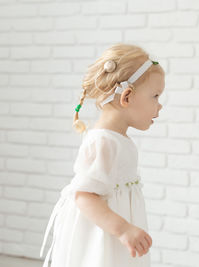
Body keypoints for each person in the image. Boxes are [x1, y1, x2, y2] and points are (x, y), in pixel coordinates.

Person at [39, 43, 165, 267]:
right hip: (103, 231)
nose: (160, 105)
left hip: (114, 229)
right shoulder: (103, 142)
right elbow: (85, 196)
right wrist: (124, 229)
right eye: (155, 96)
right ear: (127, 97)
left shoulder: (118, 139)